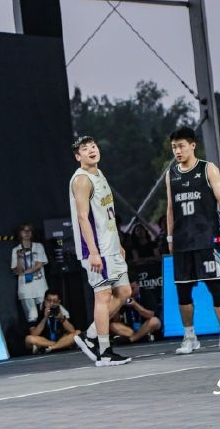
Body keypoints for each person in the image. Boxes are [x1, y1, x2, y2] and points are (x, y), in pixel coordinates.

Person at [166, 127, 220, 354]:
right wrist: (170, 237)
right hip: (182, 241)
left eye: (181, 146)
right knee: (183, 292)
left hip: (207, 238)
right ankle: (190, 338)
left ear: (192, 145)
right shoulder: (171, 173)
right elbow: (170, 208)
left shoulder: (208, 169)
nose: (177, 151)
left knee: (215, 286)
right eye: (174, 147)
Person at [69, 135, 132, 367]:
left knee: (124, 292)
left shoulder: (99, 173)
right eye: (85, 149)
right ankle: (104, 352)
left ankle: (89, 335)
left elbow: (107, 215)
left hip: (111, 246)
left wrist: (118, 243)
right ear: (78, 157)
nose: (91, 150)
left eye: (93, 146)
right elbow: (82, 217)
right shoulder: (81, 180)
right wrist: (93, 252)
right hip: (96, 250)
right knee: (103, 296)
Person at [10, 223, 49, 323]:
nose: (27, 233)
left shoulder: (38, 246)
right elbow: (17, 271)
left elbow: (39, 265)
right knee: (32, 317)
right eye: (24, 230)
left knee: (48, 314)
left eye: (29, 230)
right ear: (20, 233)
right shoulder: (15, 250)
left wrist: (24, 272)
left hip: (41, 288)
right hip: (26, 289)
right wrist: (19, 258)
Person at [25, 289, 79, 354]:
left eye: (55, 301)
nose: (51, 303)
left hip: (60, 338)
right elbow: (34, 333)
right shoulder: (35, 310)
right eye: (49, 300)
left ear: (59, 301)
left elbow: (72, 330)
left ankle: (51, 347)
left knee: (78, 333)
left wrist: (62, 318)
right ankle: (63, 345)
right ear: (44, 300)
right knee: (29, 339)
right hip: (44, 340)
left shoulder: (62, 310)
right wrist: (44, 318)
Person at [110, 280, 161, 345]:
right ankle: (141, 337)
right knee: (113, 326)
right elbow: (117, 320)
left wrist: (135, 305)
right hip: (131, 330)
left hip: (146, 326)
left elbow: (150, 315)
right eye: (128, 289)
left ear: (138, 286)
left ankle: (131, 339)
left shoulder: (146, 294)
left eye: (133, 288)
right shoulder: (124, 296)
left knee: (154, 321)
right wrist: (117, 305)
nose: (131, 291)